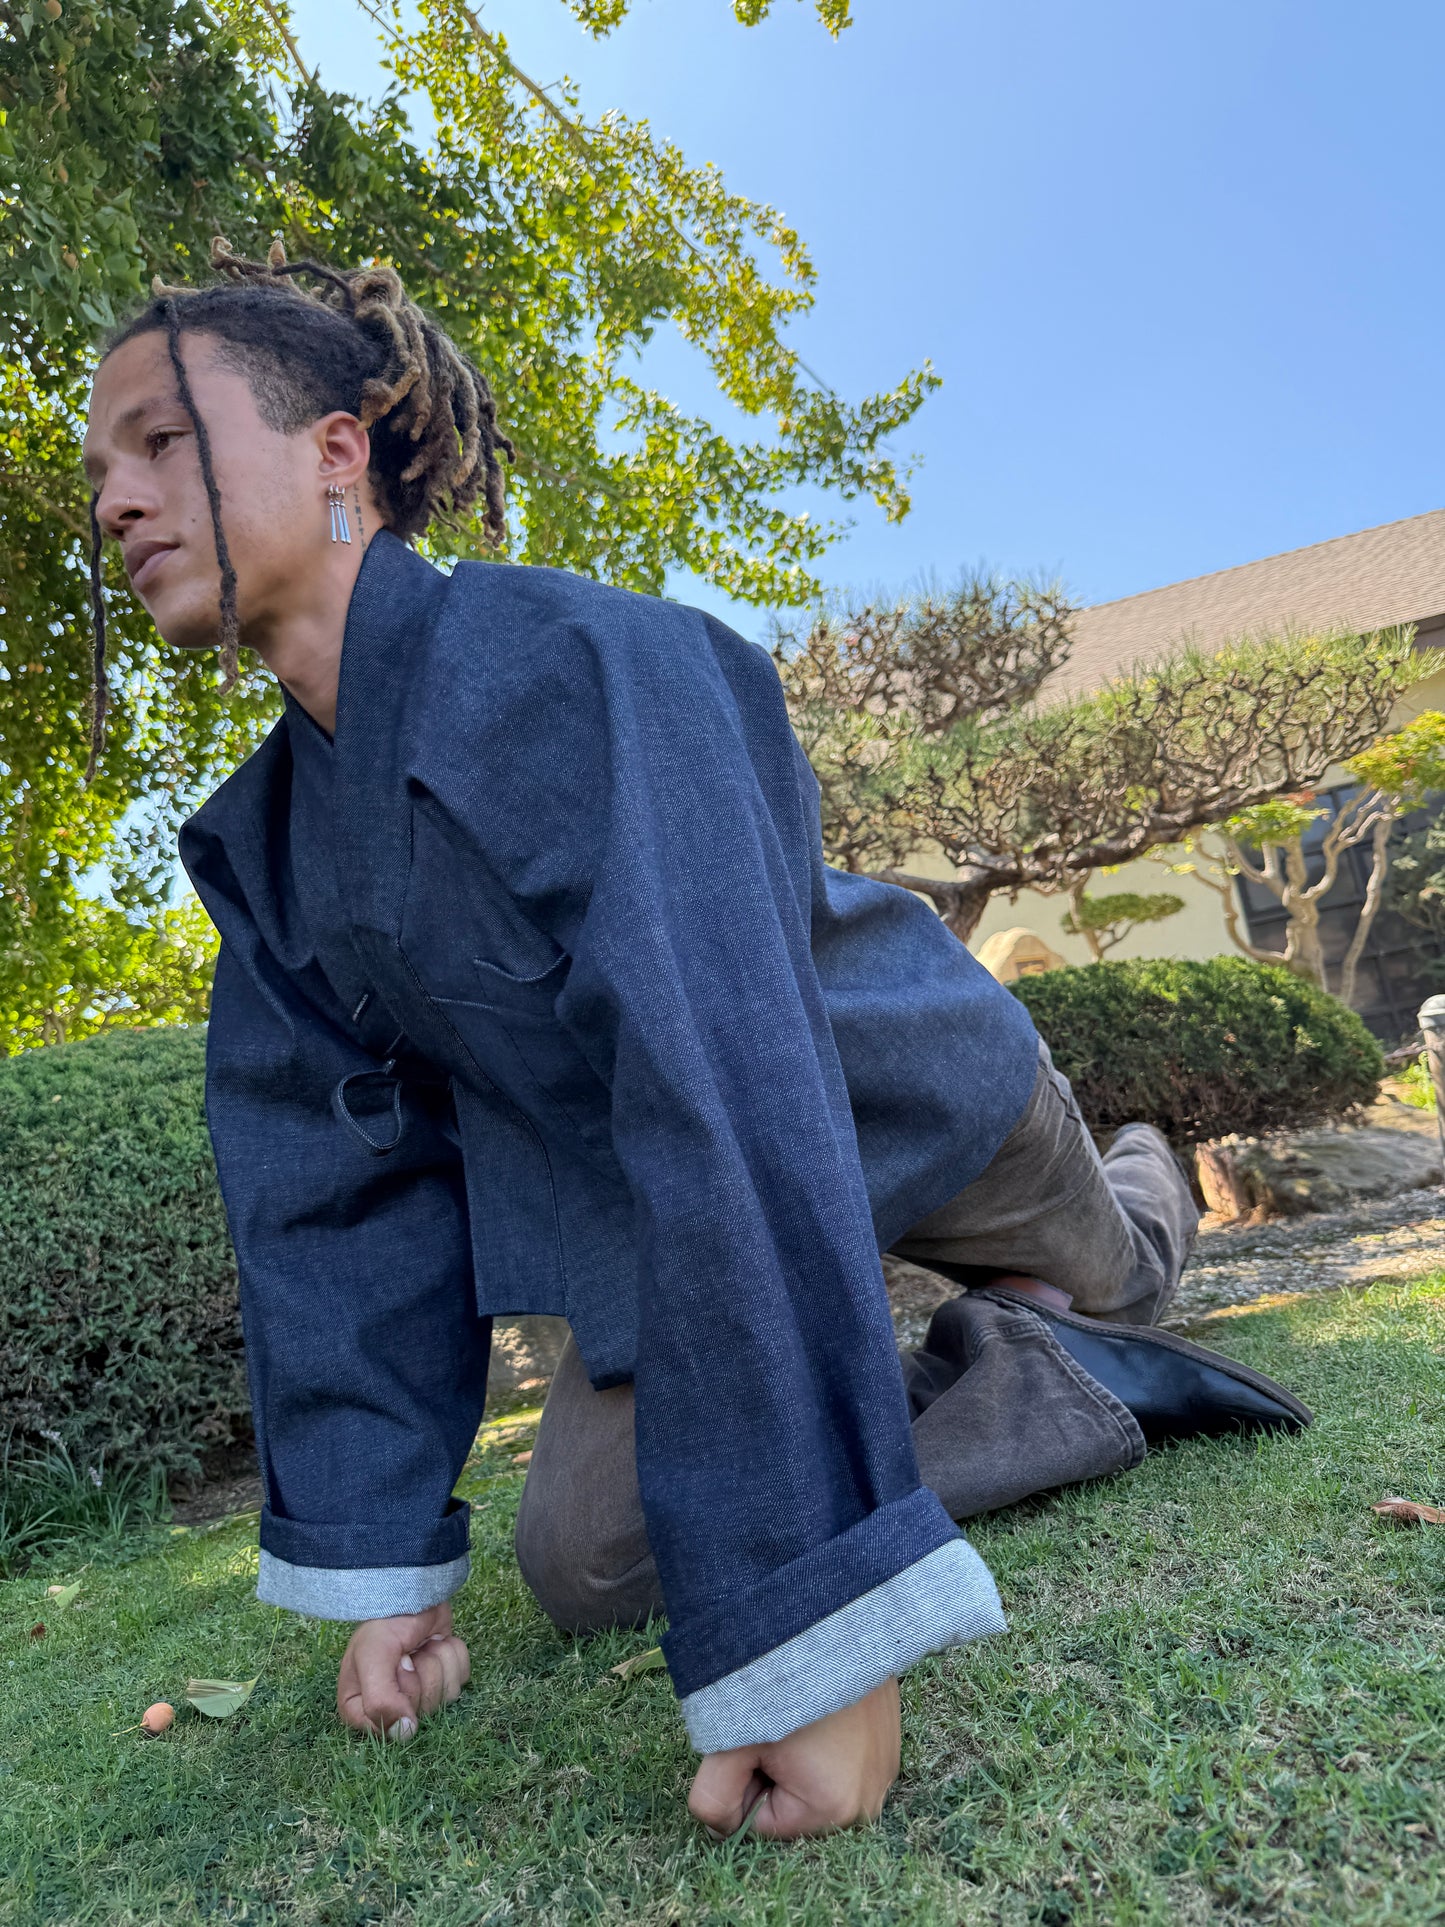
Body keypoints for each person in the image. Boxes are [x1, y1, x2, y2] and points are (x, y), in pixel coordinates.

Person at [80, 239, 1309, 1842]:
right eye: (98, 468)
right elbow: (338, 1203)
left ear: (336, 453)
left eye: (161, 441)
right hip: (670, 1195)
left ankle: (1127, 1189)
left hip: (904, 1092)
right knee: (585, 1563)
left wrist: (813, 1654)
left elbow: (725, 1078)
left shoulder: (594, 666)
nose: (113, 499)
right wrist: (387, 1568)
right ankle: (1020, 1360)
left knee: (1128, 1274)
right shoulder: (265, 847)